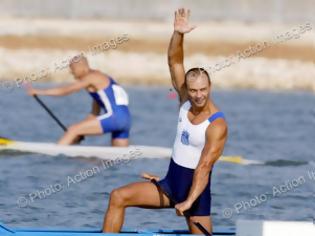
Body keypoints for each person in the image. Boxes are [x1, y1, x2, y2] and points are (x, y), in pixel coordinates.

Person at [102, 8, 228, 234]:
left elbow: (204, 167)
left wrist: (189, 202)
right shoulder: (185, 101)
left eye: (203, 89)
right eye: (193, 90)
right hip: (169, 185)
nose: (198, 95)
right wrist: (178, 34)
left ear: (210, 87)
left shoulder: (217, 124)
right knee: (118, 196)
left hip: (196, 195)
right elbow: (174, 62)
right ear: (186, 90)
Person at [27, 55, 131, 146]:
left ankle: (53, 156)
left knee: (73, 129)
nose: (70, 72)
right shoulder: (100, 82)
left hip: (115, 118)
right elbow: (94, 114)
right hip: (126, 120)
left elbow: (66, 90)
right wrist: (80, 132)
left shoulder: (91, 77)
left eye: (72, 68)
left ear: (82, 67)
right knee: (118, 158)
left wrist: (38, 91)